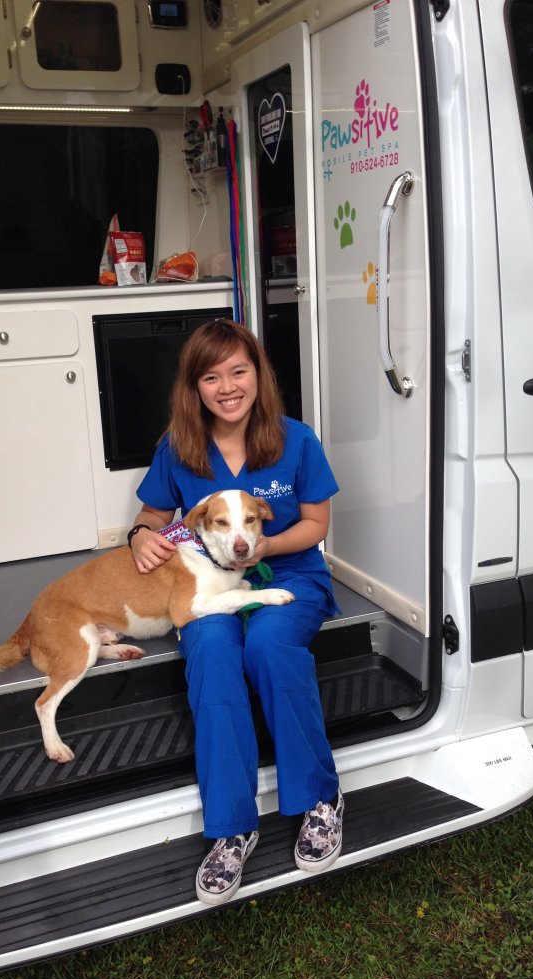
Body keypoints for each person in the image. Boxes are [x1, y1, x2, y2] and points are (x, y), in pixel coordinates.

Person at [128, 318, 344, 906]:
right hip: (212, 585)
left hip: (289, 576)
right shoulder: (178, 448)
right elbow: (152, 516)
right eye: (211, 376)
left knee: (269, 645)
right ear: (194, 387)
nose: (227, 387)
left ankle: (318, 798)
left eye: (238, 371)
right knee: (213, 652)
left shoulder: (296, 440)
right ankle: (231, 827)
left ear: (258, 375)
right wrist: (139, 537)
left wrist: (261, 548)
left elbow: (316, 524)